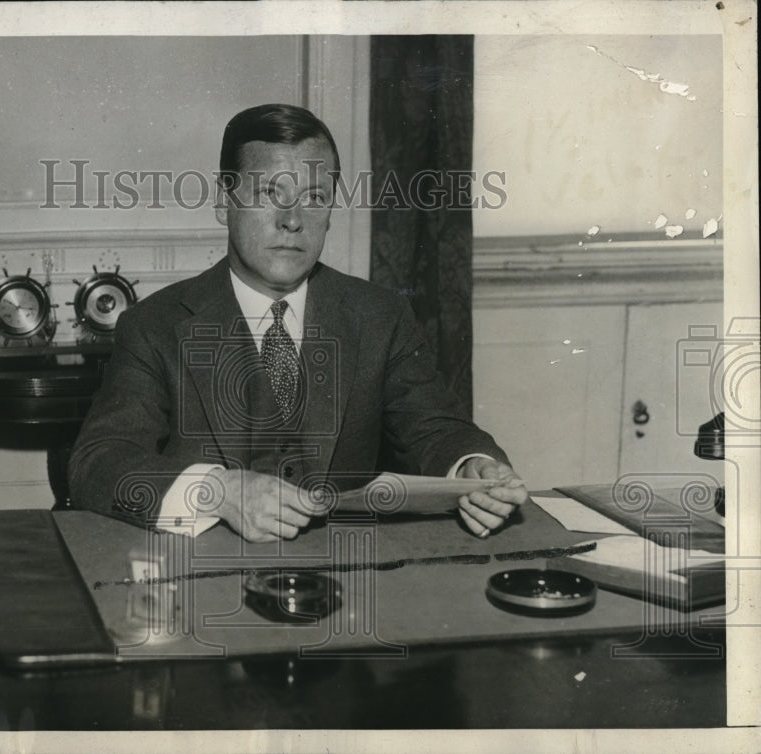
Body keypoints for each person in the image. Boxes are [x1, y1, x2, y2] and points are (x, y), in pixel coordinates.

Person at [68, 103, 528, 542]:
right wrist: (217, 492)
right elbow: (98, 463)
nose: (292, 220)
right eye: (270, 194)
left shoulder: (379, 316)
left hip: (346, 572)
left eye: (314, 197)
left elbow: (438, 430)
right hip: (207, 577)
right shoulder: (155, 326)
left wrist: (471, 467)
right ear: (223, 203)